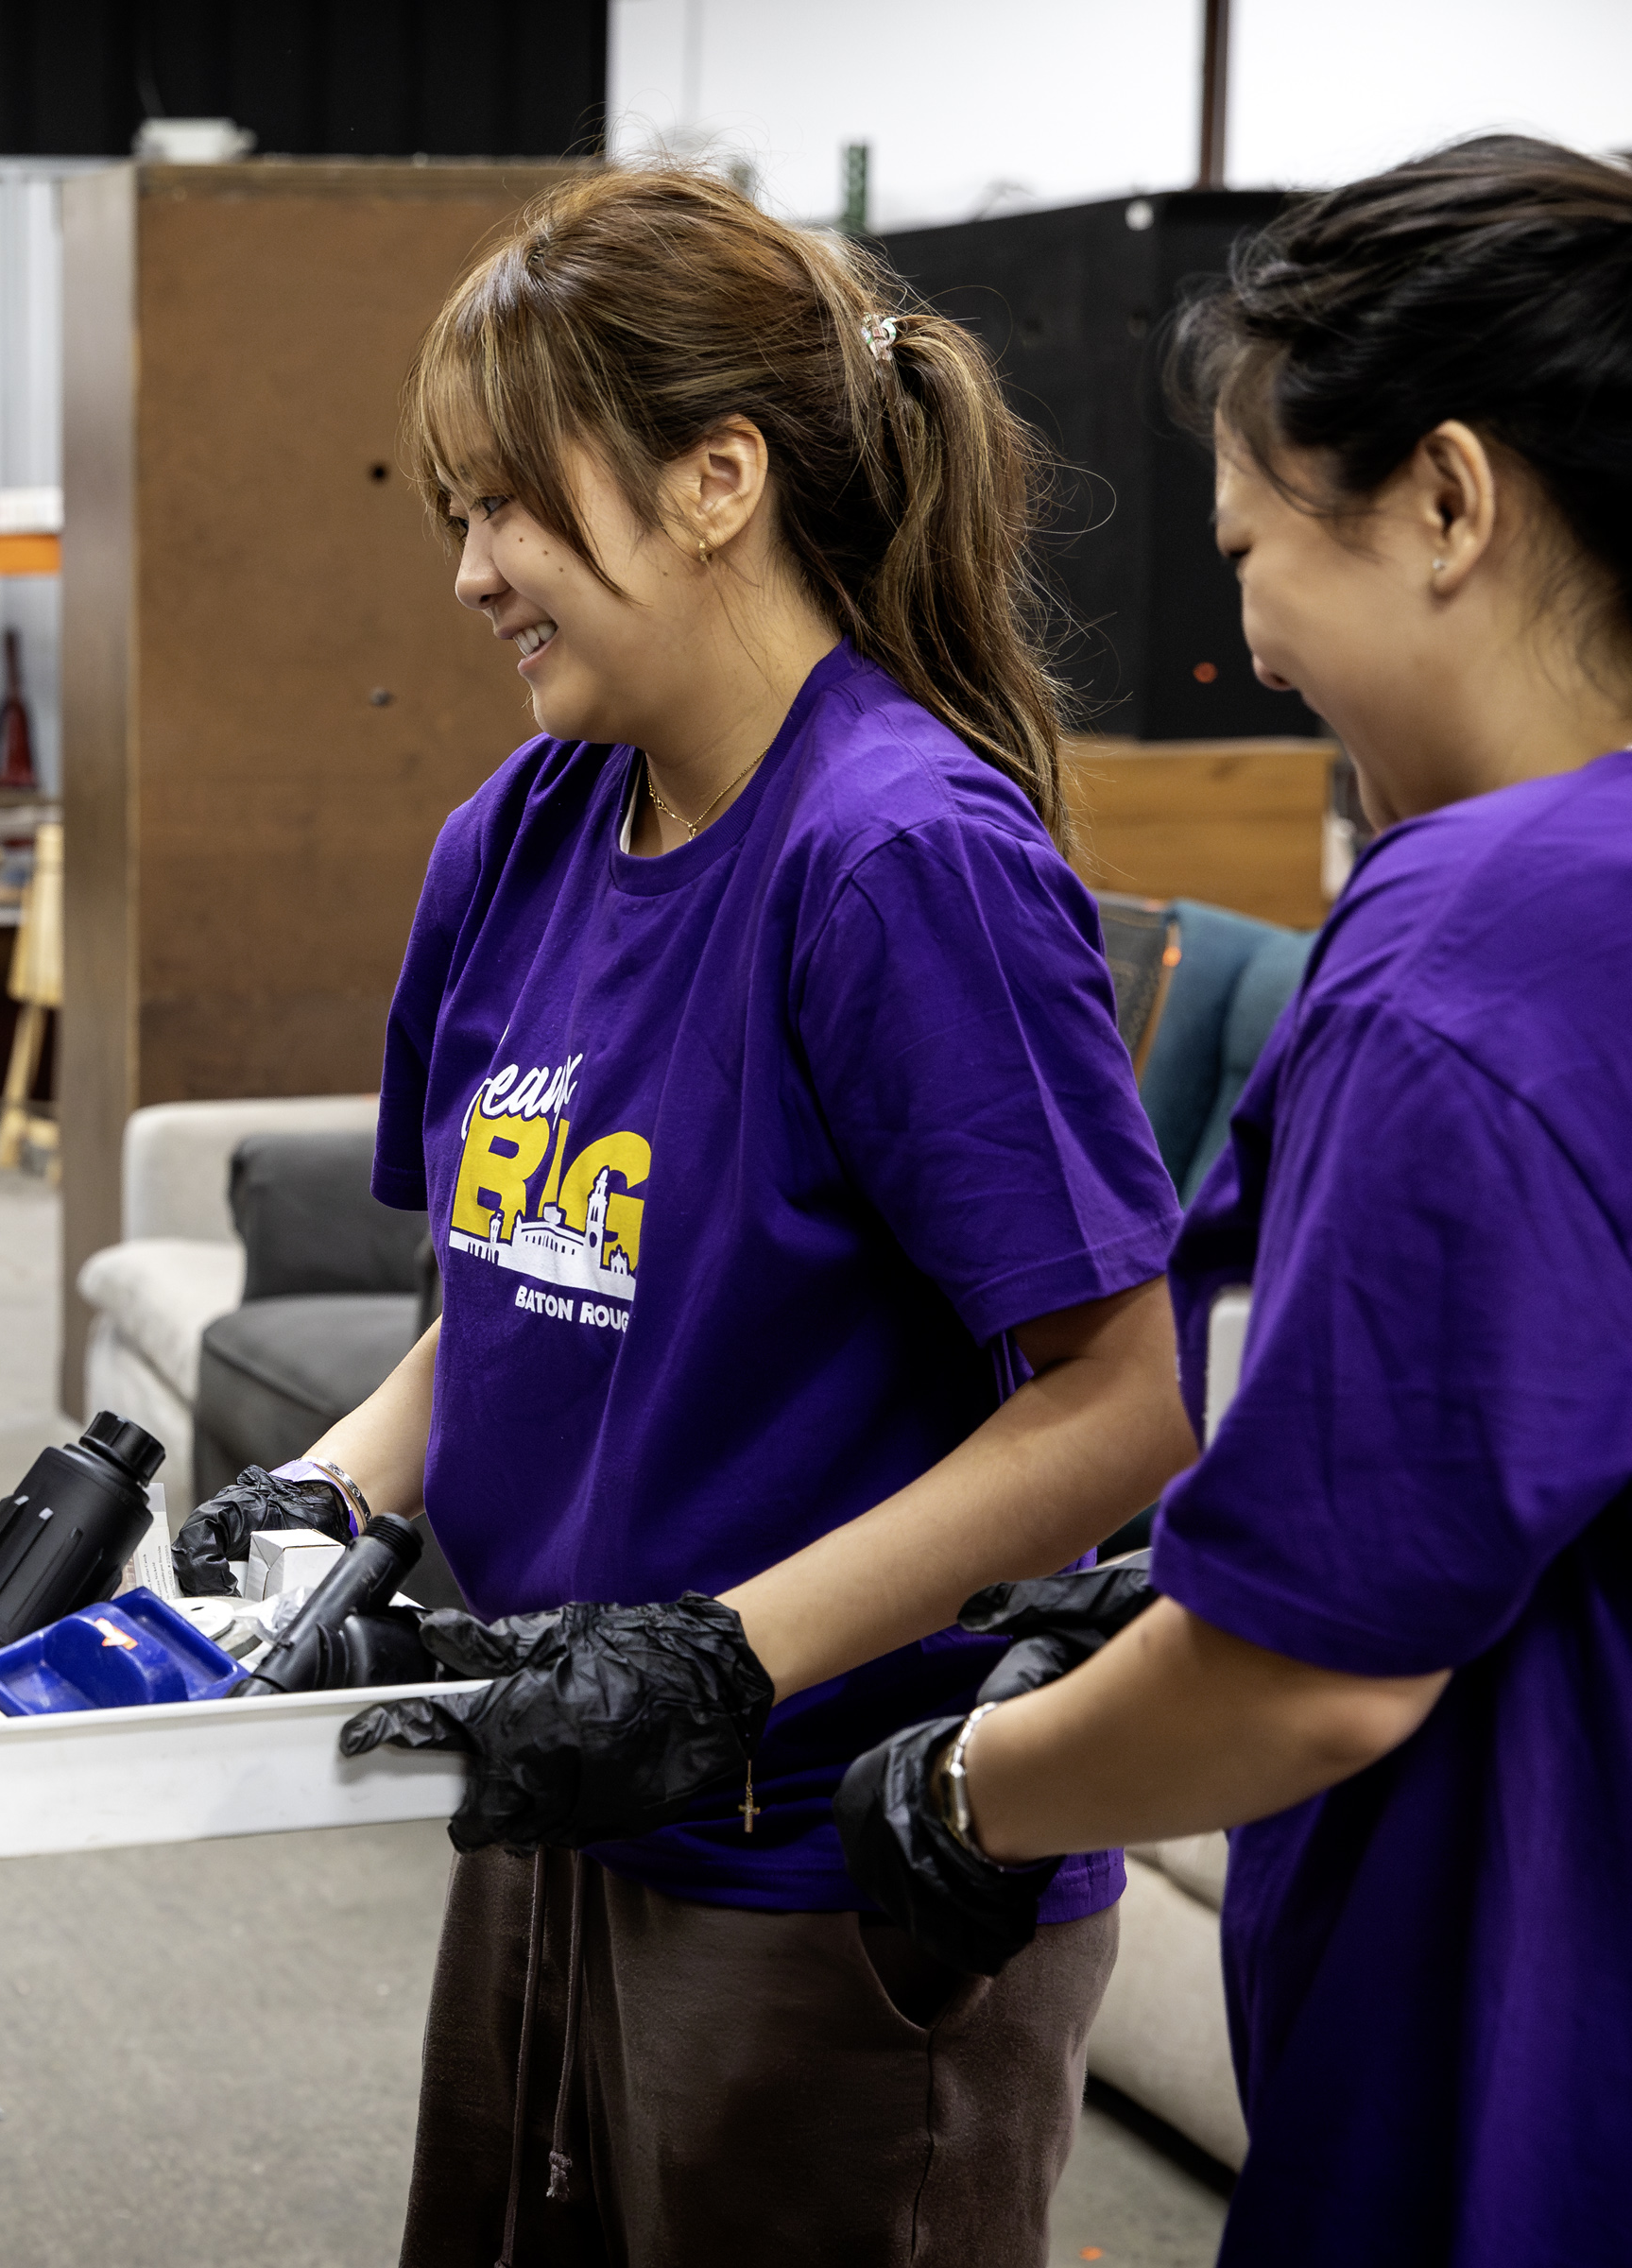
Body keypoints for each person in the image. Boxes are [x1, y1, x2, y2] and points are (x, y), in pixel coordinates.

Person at [173, 166, 1196, 2265]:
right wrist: (325, 1497)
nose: (469, 573)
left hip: (834, 1875)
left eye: (513, 509)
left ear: (719, 478)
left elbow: (1119, 1405)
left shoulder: (898, 859)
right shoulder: (521, 830)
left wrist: (725, 1661)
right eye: (449, 516)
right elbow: (516, 1300)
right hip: (567, 1816)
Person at [841, 136, 1632, 2266]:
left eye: (1256, 550)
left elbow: (1317, 1671)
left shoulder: (1473, 946)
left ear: (1450, 502)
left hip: (1521, 2092)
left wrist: (958, 1792)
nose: (1256, 642)